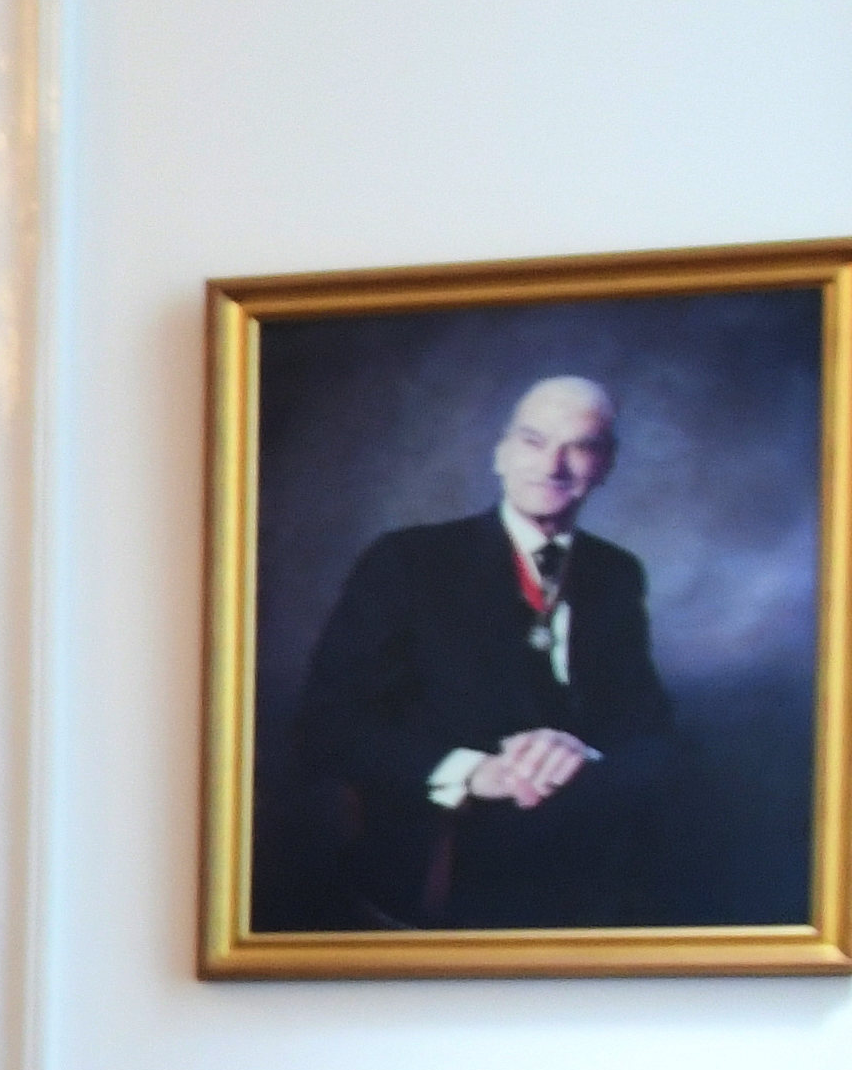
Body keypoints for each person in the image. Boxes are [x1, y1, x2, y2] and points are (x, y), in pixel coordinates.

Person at [284, 368, 677, 928]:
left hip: (586, 871)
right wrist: (472, 772)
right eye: (533, 441)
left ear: (606, 466)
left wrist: (579, 753)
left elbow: (651, 734)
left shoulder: (616, 572)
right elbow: (325, 727)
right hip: (444, 865)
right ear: (500, 454)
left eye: (580, 448)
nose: (552, 466)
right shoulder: (407, 561)